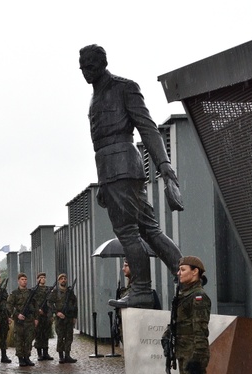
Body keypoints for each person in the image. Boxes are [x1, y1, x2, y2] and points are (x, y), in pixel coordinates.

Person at [79, 44, 182, 309]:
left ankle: (142, 290)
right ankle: (185, 275)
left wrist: (164, 165)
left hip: (124, 167)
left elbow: (147, 128)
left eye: (91, 67)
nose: (87, 73)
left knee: (128, 232)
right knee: (149, 230)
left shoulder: (124, 87)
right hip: (111, 171)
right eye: (83, 68)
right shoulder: (95, 97)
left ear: (103, 64)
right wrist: (103, 182)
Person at [7, 273, 39, 367]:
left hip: (29, 320)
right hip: (19, 322)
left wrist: (36, 318)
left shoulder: (31, 293)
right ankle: (21, 358)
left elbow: (36, 306)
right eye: (22, 279)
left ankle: (27, 357)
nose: (24, 281)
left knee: (29, 340)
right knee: (19, 340)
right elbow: (9, 307)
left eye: (25, 279)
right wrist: (16, 315)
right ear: (18, 281)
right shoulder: (14, 293)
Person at [49, 273, 78, 363]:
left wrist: (74, 317)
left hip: (69, 318)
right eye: (61, 278)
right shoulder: (55, 292)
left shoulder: (70, 292)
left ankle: (67, 355)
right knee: (61, 337)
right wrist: (56, 312)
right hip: (60, 319)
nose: (63, 280)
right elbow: (49, 303)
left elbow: (75, 304)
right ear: (59, 281)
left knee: (69, 337)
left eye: (65, 278)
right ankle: (61, 356)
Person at [33, 273, 54, 361]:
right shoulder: (34, 290)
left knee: (46, 334)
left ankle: (46, 353)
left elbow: (52, 302)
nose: (43, 279)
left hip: (47, 315)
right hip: (38, 316)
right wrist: (37, 310)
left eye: (44, 277)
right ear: (37, 279)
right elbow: (32, 302)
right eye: (41, 277)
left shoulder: (49, 289)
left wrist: (51, 314)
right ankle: (39, 354)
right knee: (38, 334)